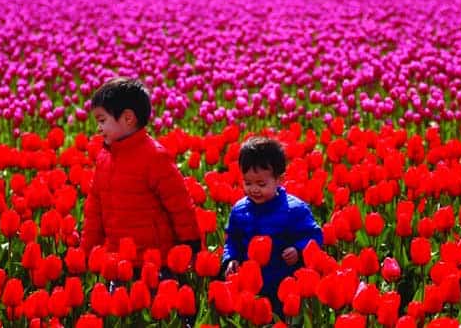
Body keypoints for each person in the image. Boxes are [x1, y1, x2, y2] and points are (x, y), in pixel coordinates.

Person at [81, 77, 201, 270]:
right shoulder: (104, 158)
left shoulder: (155, 157)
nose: (99, 128)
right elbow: (94, 212)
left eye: (102, 120)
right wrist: (87, 252)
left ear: (128, 118)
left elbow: (180, 206)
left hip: (155, 261)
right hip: (117, 260)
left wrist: (191, 245)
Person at [222, 136, 322, 313]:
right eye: (247, 183)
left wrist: (298, 249)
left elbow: (313, 235)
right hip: (250, 285)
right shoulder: (239, 210)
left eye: (261, 184)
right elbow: (232, 240)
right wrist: (231, 259)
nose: (254, 189)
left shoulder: (294, 210)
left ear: (279, 179)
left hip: (282, 284)